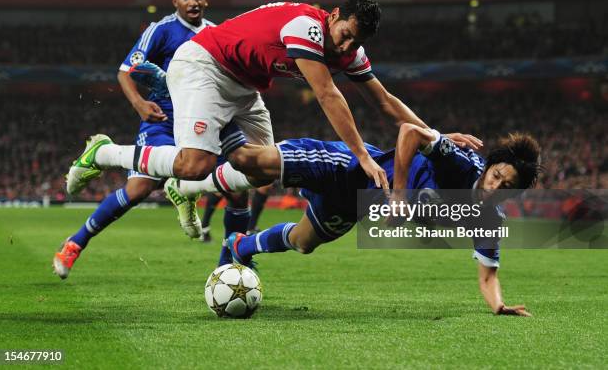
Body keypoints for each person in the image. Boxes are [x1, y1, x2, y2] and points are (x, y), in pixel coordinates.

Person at [66, 0, 460, 198]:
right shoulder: (306, 27)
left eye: (357, 41)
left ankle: (183, 191)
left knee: (260, 171)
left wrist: (435, 136)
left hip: (243, 85)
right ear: (334, 14)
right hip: (205, 65)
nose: (348, 45)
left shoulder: (348, 50)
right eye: (346, 33)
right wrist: (360, 154)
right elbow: (327, 93)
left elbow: (386, 101)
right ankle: (102, 152)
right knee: (194, 163)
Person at [172, 125, 539, 316]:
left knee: (303, 243)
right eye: (496, 177)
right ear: (489, 167)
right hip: (347, 167)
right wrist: (397, 193)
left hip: (354, 205)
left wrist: (497, 305)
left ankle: (238, 245)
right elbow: (410, 131)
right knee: (255, 165)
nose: (495, 188)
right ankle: (207, 145)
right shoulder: (459, 163)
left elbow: (488, 274)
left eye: (506, 187)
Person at [53, 0, 249, 278]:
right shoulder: (161, 30)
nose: (193, 2)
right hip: (165, 119)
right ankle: (76, 243)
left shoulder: (215, 33)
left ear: (207, 0)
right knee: (137, 189)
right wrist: (140, 104)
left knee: (238, 187)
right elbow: (125, 71)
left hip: (204, 119)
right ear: (175, 1)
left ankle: (230, 266)